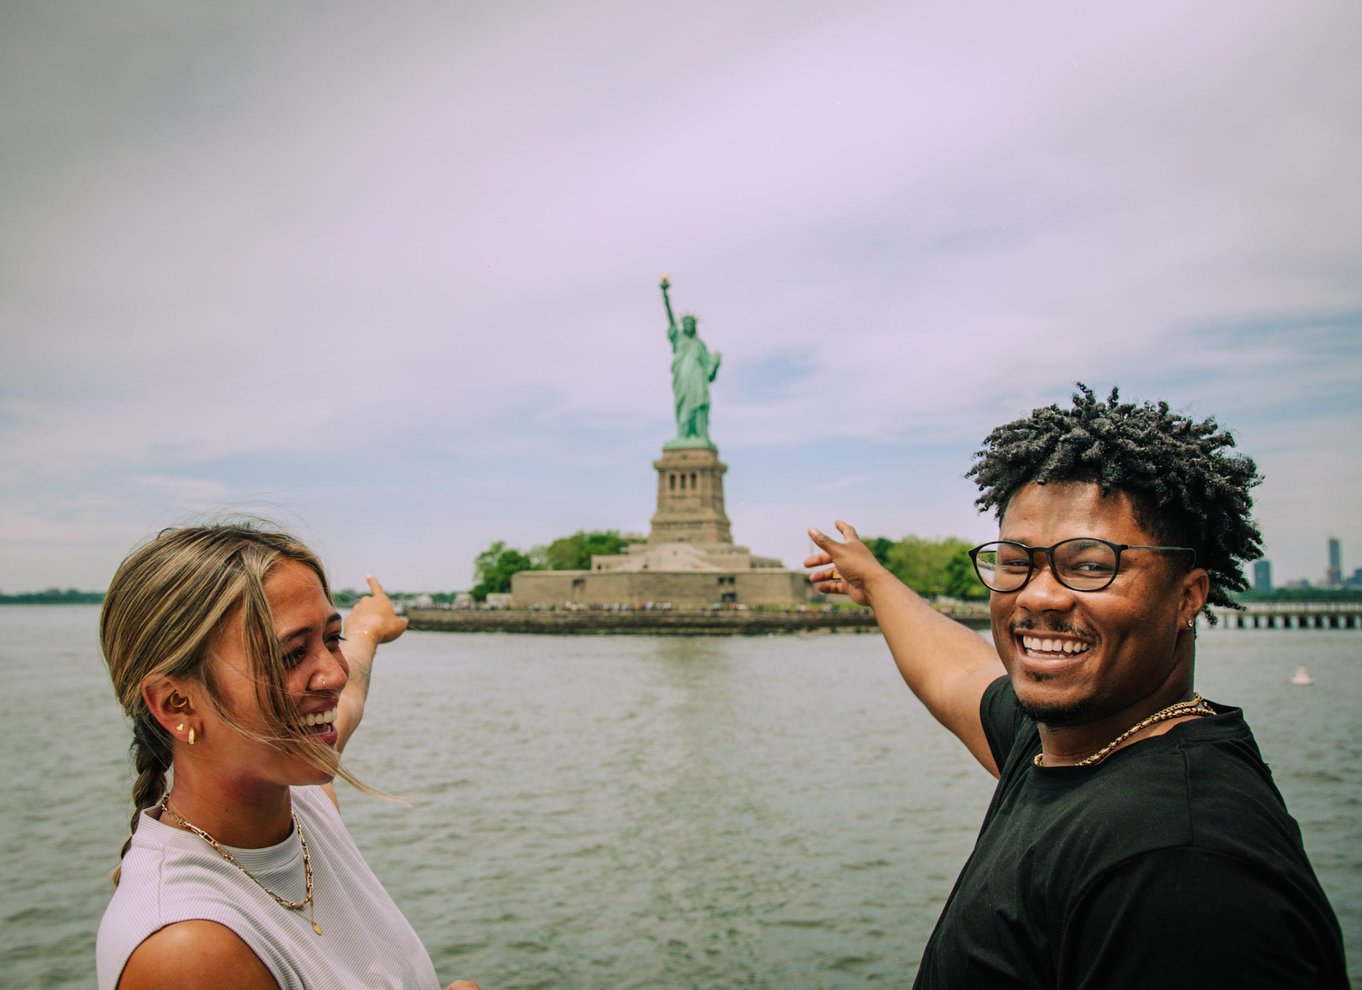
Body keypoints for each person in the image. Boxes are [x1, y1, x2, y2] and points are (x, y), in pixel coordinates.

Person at [806, 385, 1348, 988]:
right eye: (1016, 562)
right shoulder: (1066, 743)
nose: (1039, 595)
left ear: (1188, 597)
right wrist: (876, 582)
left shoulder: (1180, 866)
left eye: (1090, 565)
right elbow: (958, 672)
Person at [95, 523, 480, 990]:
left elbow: (350, 695)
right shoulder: (188, 952)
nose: (334, 675)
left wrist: (368, 628)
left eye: (331, 640)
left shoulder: (306, 804)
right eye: (291, 655)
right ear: (178, 703)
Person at [660, 275, 722, 444]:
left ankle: (699, 435)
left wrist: (715, 363)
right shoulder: (678, 338)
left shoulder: (700, 345)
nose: (688, 326)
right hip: (682, 377)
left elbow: (709, 372)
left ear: (694, 326)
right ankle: (684, 435)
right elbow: (670, 317)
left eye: (691, 323)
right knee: (683, 405)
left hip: (698, 378)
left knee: (699, 404)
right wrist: (665, 295)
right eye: (685, 323)